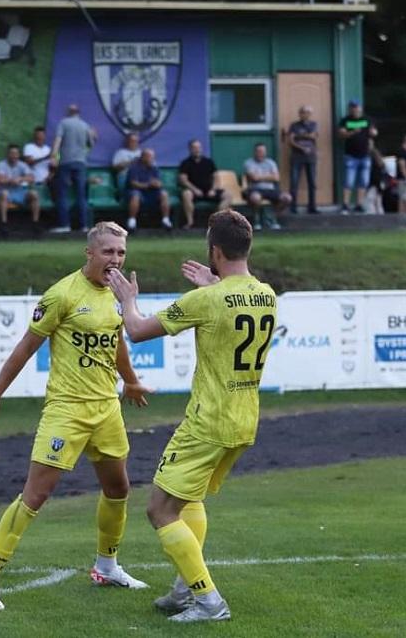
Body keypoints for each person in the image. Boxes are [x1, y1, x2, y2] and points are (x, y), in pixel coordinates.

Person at [0, 222, 153, 611]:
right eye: (108, 251)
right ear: (90, 253)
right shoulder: (62, 294)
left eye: (121, 252)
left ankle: (107, 566)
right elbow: (25, 347)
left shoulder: (118, 294)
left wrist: (131, 381)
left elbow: (116, 341)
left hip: (107, 409)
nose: (116, 259)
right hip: (66, 410)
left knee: (118, 488)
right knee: (36, 495)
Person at [107, 209, 277, 623]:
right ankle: (186, 588)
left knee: (160, 510)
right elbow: (232, 301)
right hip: (244, 418)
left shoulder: (207, 299)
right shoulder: (266, 294)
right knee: (190, 498)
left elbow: (137, 330)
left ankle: (208, 600)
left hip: (209, 421)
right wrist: (214, 284)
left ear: (214, 251)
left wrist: (128, 300)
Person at [50, 104, 97, 233]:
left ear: (68, 112)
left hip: (65, 162)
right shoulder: (85, 125)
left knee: (62, 194)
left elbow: (58, 140)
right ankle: (84, 226)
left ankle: (65, 225)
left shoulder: (63, 123)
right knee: (81, 195)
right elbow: (91, 144)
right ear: (78, 112)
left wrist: (54, 156)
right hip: (81, 162)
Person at [178, 139, 230, 229]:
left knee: (228, 195)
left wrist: (213, 190)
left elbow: (216, 178)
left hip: (209, 191)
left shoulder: (209, 162)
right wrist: (194, 189)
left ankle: (217, 222)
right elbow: (183, 180)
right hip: (194, 192)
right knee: (186, 194)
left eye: (199, 147)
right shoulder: (185, 163)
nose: (197, 150)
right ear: (190, 149)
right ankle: (190, 222)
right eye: (194, 148)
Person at [338, 100, 377, 214]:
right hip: (351, 156)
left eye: (357, 107)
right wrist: (352, 132)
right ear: (350, 109)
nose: (355, 110)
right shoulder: (345, 120)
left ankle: (359, 204)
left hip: (365, 155)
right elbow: (341, 134)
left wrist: (374, 132)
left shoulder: (367, 120)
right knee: (348, 181)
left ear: (360, 108)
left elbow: (373, 132)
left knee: (363, 182)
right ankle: (345, 205)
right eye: (353, 108)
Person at [0, 144, 40, 237]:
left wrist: (21, 179)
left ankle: (35, 224)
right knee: (4, 194)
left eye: (16, 154)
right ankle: (3, 224)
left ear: (19, 155)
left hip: (19, 191)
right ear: (7, 154)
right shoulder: (1, 165)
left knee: (34, 194)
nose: (14, 156)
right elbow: (0, 180)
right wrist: (11, 180)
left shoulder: (22, 165)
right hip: (5, 190)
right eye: (12, 153)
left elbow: (31, 178)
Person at [242, 143, 291, 230]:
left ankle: (271, 217)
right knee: (255, 198)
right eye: (259, 151)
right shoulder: (248, 163)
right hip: (255, 189)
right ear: (255, 152)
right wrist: (269, 176)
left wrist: (260, 176)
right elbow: (254, 178)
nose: (261, 153)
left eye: (263, 151)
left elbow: (276, 178)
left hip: (270, 189)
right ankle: (257, 219)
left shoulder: (271, 163)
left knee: (287, 198)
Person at [125, 148, 172, 231]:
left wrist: (157, 184)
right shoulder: (134, 168)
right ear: (143, 157)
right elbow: (133, 183)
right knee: (135, 196)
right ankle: (132, 221)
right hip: (137, 191)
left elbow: (159, 183)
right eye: (150, 157)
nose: (152, 159)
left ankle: (166, 220)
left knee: (164, 194)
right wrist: (148, 185)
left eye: (153, 157)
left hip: (152, 192)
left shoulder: (154, 168)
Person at [286, 105, 319, 214]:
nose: (305, 114)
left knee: (312, 182)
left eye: (308, 112)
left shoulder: (314, 124)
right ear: (300, 114)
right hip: (296, 157)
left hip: (311, 157)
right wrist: (302, 147)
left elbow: (314, 136)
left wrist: (299, 135)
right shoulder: (294, 125)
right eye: (303, 112)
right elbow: (290, 140)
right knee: (294, 182)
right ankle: (293, 207)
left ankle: (312, 207)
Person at [23, 126, 54, 191]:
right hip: (32, 183)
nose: (40, 137)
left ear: (45, 137)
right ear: (34, 136)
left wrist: (49, 177)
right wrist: (45, 157)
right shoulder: (29, 147)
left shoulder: (48, 149)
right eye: (38, 135)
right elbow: (29, 162)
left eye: (42, 135)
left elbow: (53, 167)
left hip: (46, 183)